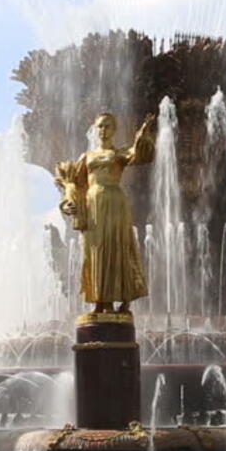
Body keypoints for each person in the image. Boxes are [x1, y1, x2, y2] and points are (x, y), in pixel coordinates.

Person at [56, 112, 156, 316]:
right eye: (100, 126)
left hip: (114, 202)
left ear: (114, 130)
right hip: (92, 204)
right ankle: (99, 300)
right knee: (94, 249)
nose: (103, 130)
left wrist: (143, 134)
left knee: (116, 246)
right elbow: (73, 183)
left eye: (107, 126)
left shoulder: (119, 154)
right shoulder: (87, 157)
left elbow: (140, 155)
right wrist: (66, 204)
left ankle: (120, 298)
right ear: (95, 129)